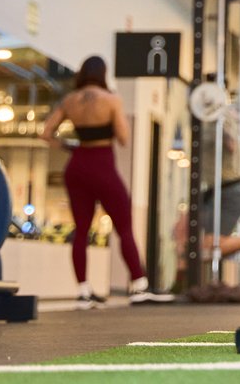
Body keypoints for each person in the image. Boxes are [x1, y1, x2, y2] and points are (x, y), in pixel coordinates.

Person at [41, 56, 174, 306]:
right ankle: (139, 285)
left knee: (80, 230)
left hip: (77, 165)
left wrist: (69, 145)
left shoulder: (70, 100)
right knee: (123, 226)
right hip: (102, 164)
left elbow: (45, 133)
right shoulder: (111, 100)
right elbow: (124, 137)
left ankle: (83, 291)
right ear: (103, 73)